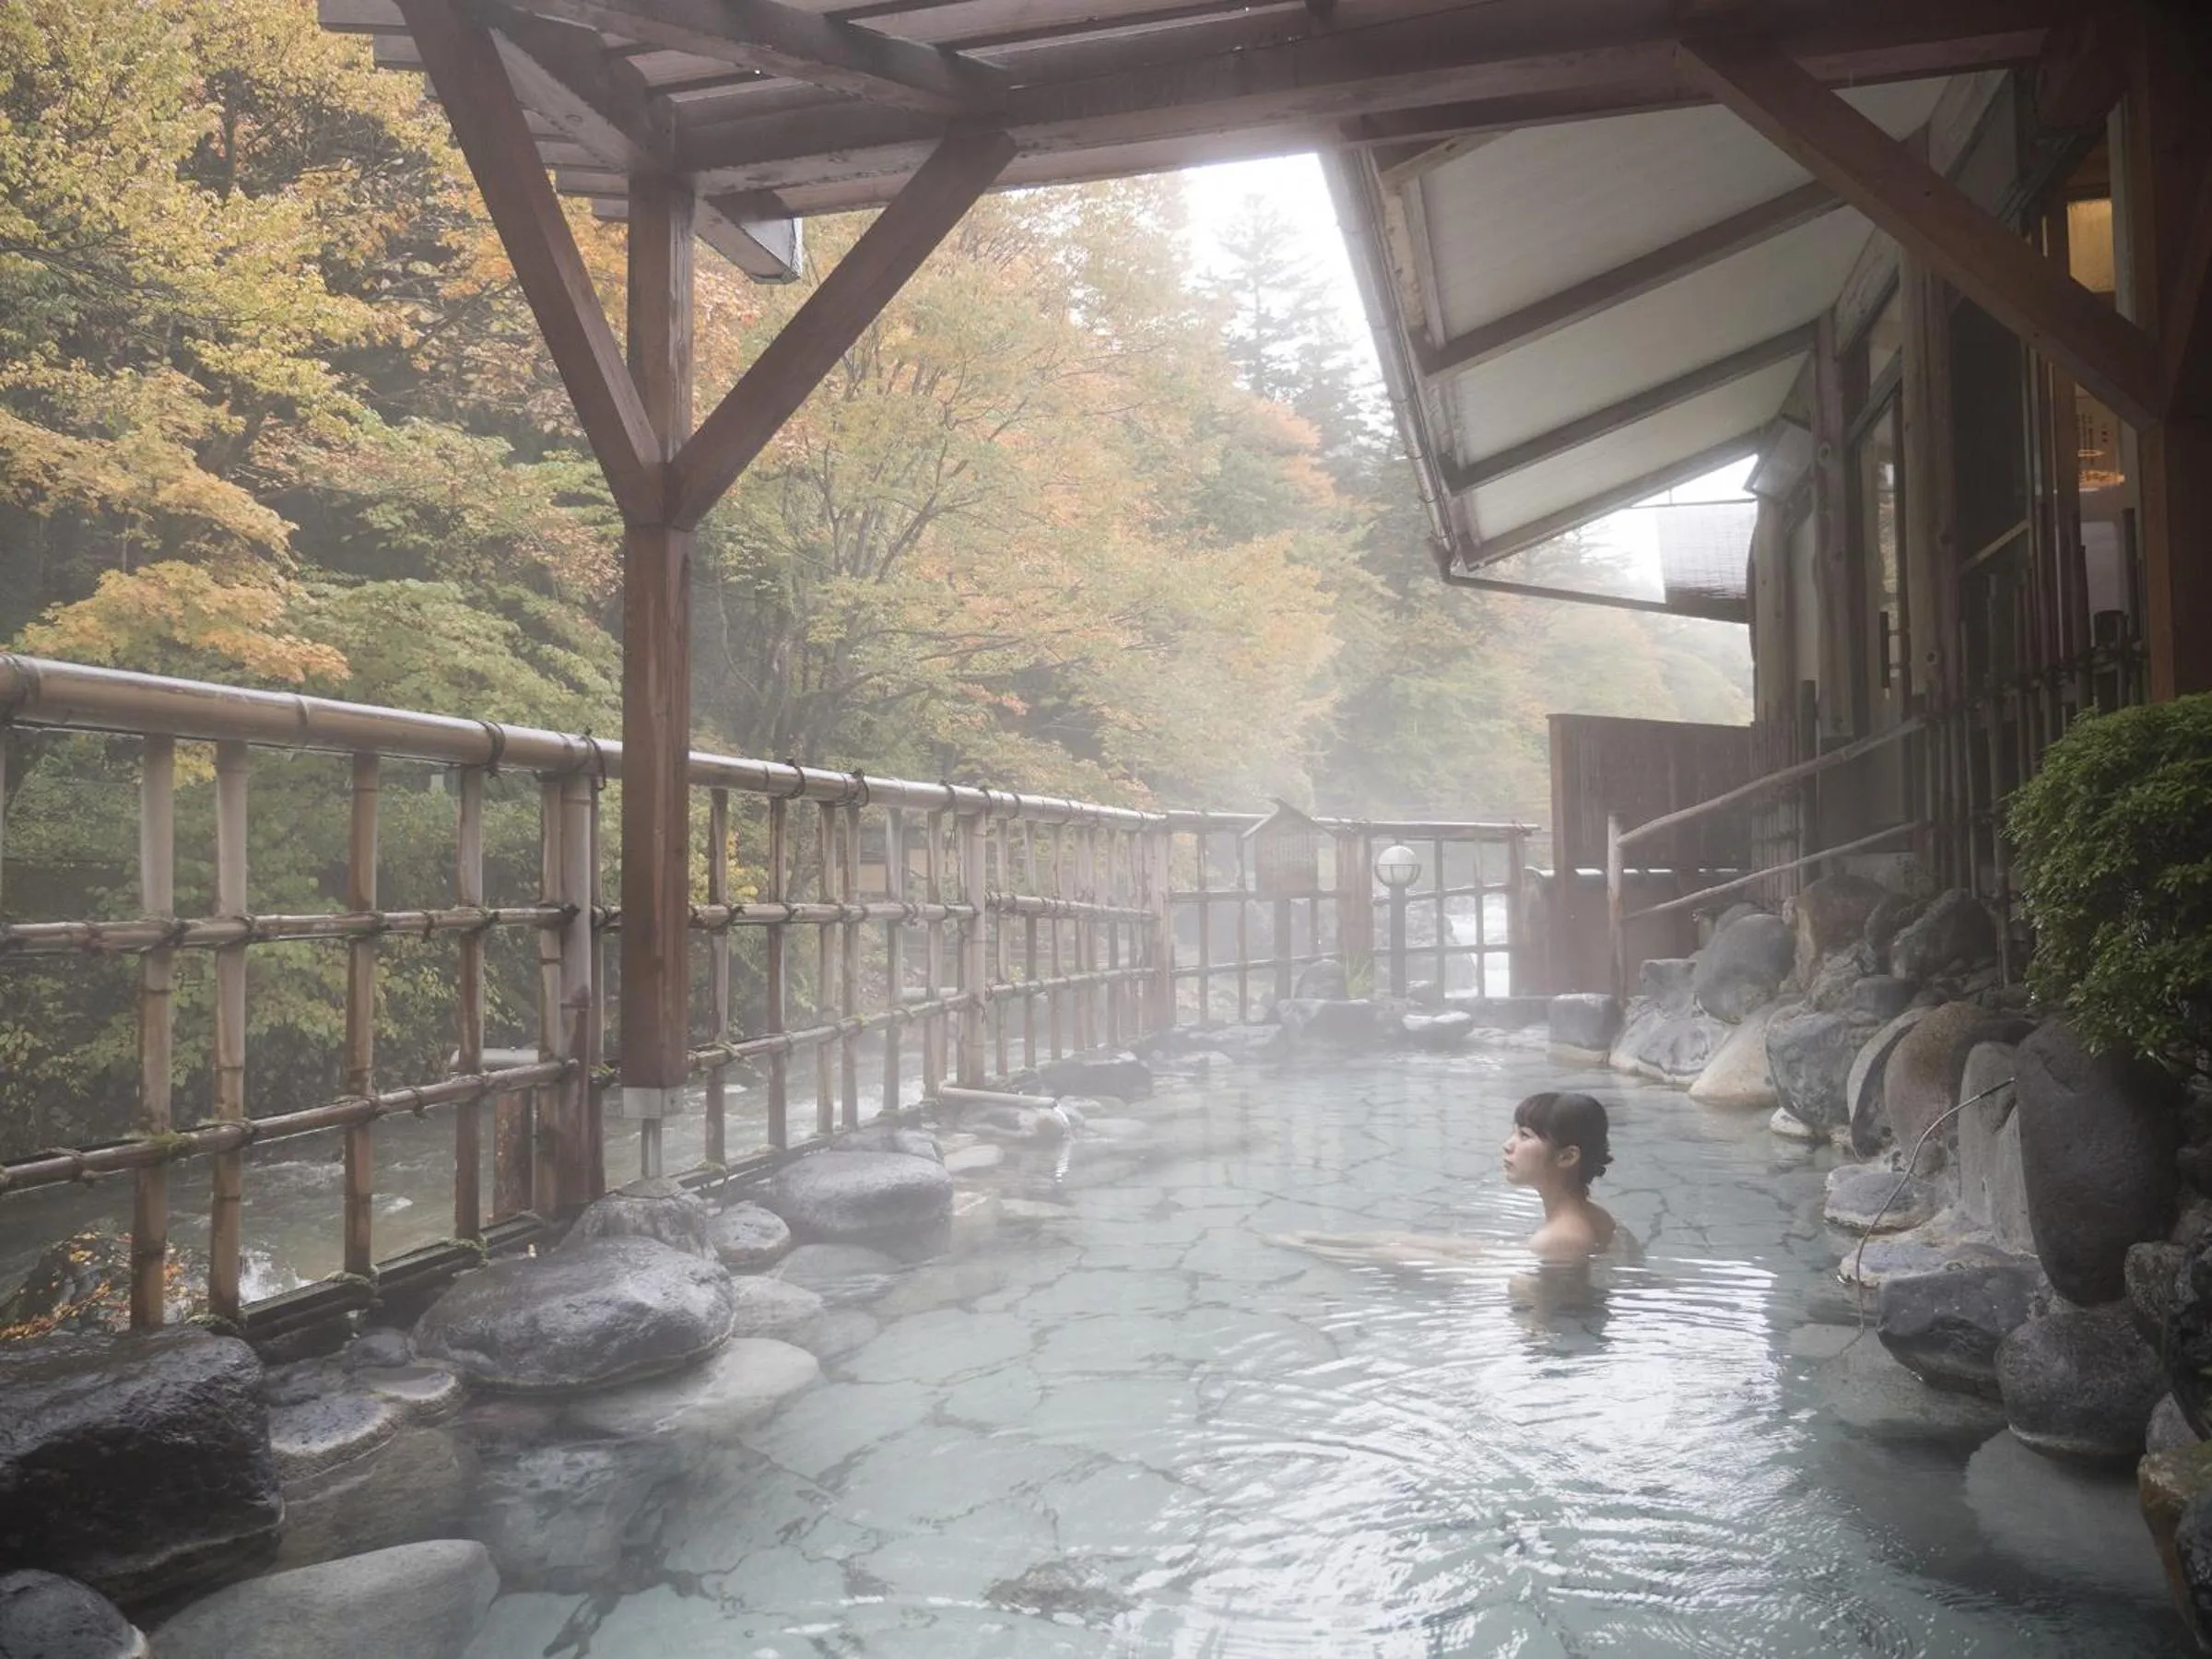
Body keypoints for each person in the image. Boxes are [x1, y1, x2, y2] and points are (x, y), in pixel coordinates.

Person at [1269, 1090, 1631, 1269]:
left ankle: (1310, 1249)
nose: (1507, 1145)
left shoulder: (1559, 1238)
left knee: (1393, 1255)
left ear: (1567, 1156)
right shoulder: (1593, 1215)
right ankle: (1316, 1240)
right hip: (1534, 1257)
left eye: (1524, 1136)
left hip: (1537, 1274)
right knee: (1401, 1241)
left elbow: (1540, 1317)